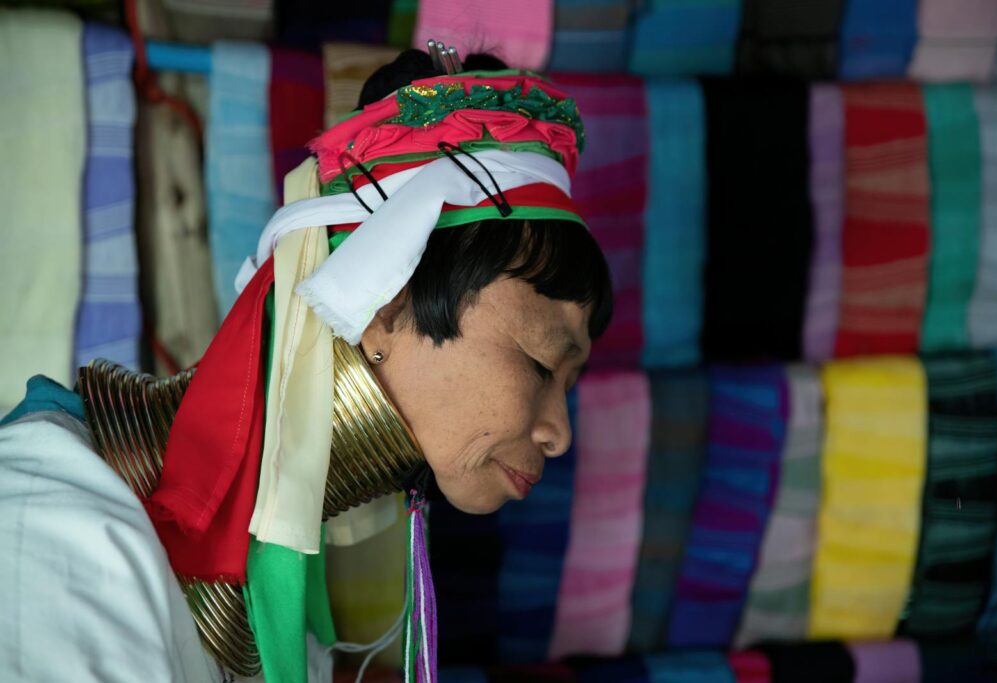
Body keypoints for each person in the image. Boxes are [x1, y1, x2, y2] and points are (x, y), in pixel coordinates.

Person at [0, 48, 611, 683]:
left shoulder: (285, 587)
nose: (560, 433)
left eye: (569, 383)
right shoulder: (51, 528)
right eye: (543, 361)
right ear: (385, 299)